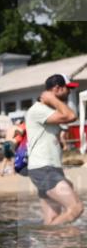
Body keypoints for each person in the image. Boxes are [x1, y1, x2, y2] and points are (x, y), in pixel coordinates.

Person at [25, 74, 83, 225]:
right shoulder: (39, 110)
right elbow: (71, 115)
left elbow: (65, 116)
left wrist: (52, 101)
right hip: (44, 169)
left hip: (48, 169)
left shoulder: (49, 111)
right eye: (67, 89)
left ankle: (48, 244)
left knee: (51, 219)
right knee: (76, 208)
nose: (70, 93)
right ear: (57, 88)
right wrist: (51, 99)